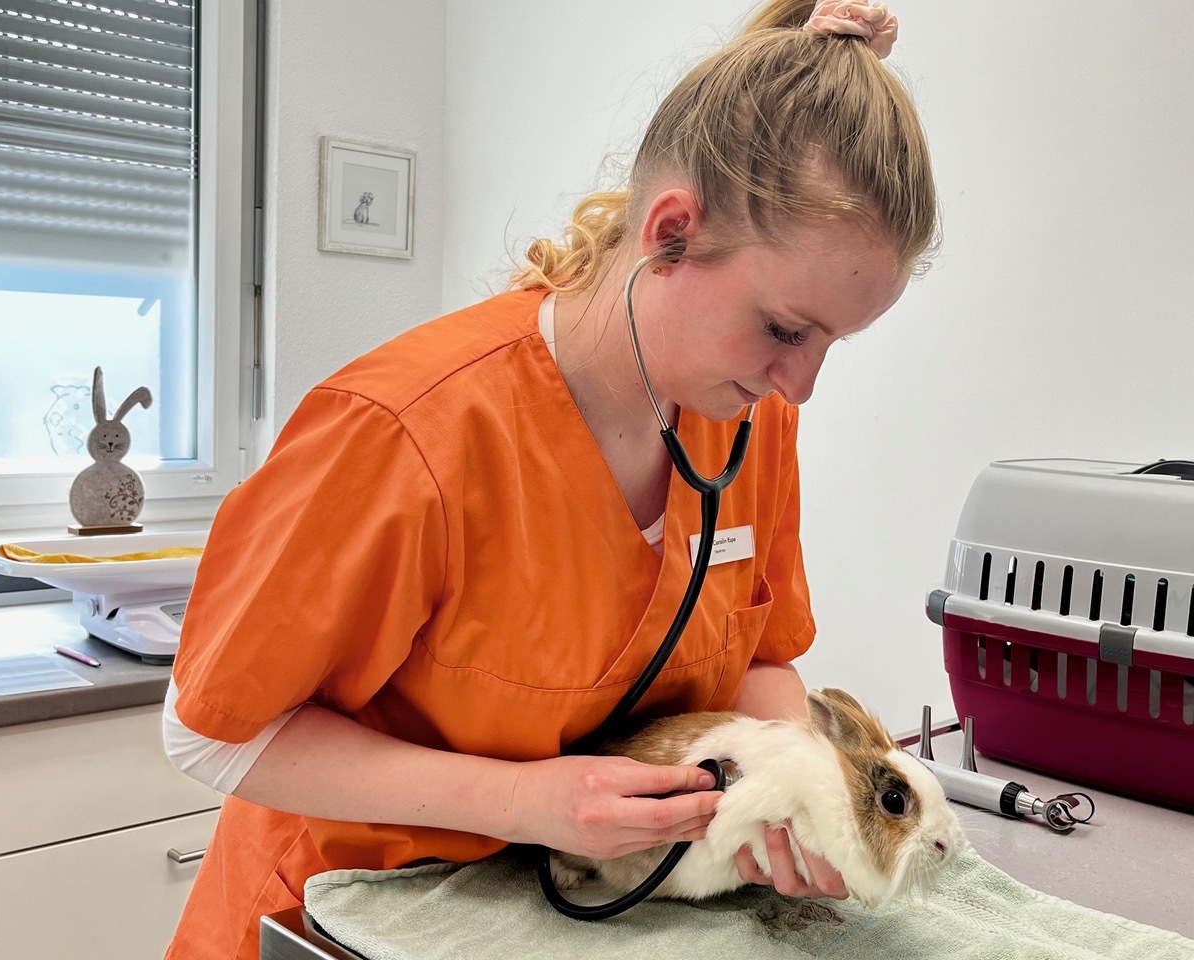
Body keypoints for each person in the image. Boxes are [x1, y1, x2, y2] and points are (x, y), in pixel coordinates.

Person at [163, 1, 935, 956]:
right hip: (341, 916)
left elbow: (760, 658)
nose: (800, 384)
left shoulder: (751, 419)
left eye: (830, 344)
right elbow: (210, 732)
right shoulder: (408, 428)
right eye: (784, 328)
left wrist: (798, 785)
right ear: (671, 233)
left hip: (574, 917)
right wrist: (525, 801)